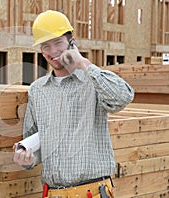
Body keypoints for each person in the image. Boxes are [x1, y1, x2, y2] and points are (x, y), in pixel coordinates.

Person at [13, 10, 134, 198]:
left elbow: (123, 97)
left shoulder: (93, 82)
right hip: (54, 193)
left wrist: (83, 63)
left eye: (58, 43)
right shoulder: (38, 90)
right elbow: (34, 141)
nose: (53, 52)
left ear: (72, 41)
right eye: (46, 46)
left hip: (92, 192)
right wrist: (26, 159)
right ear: (41, 50)